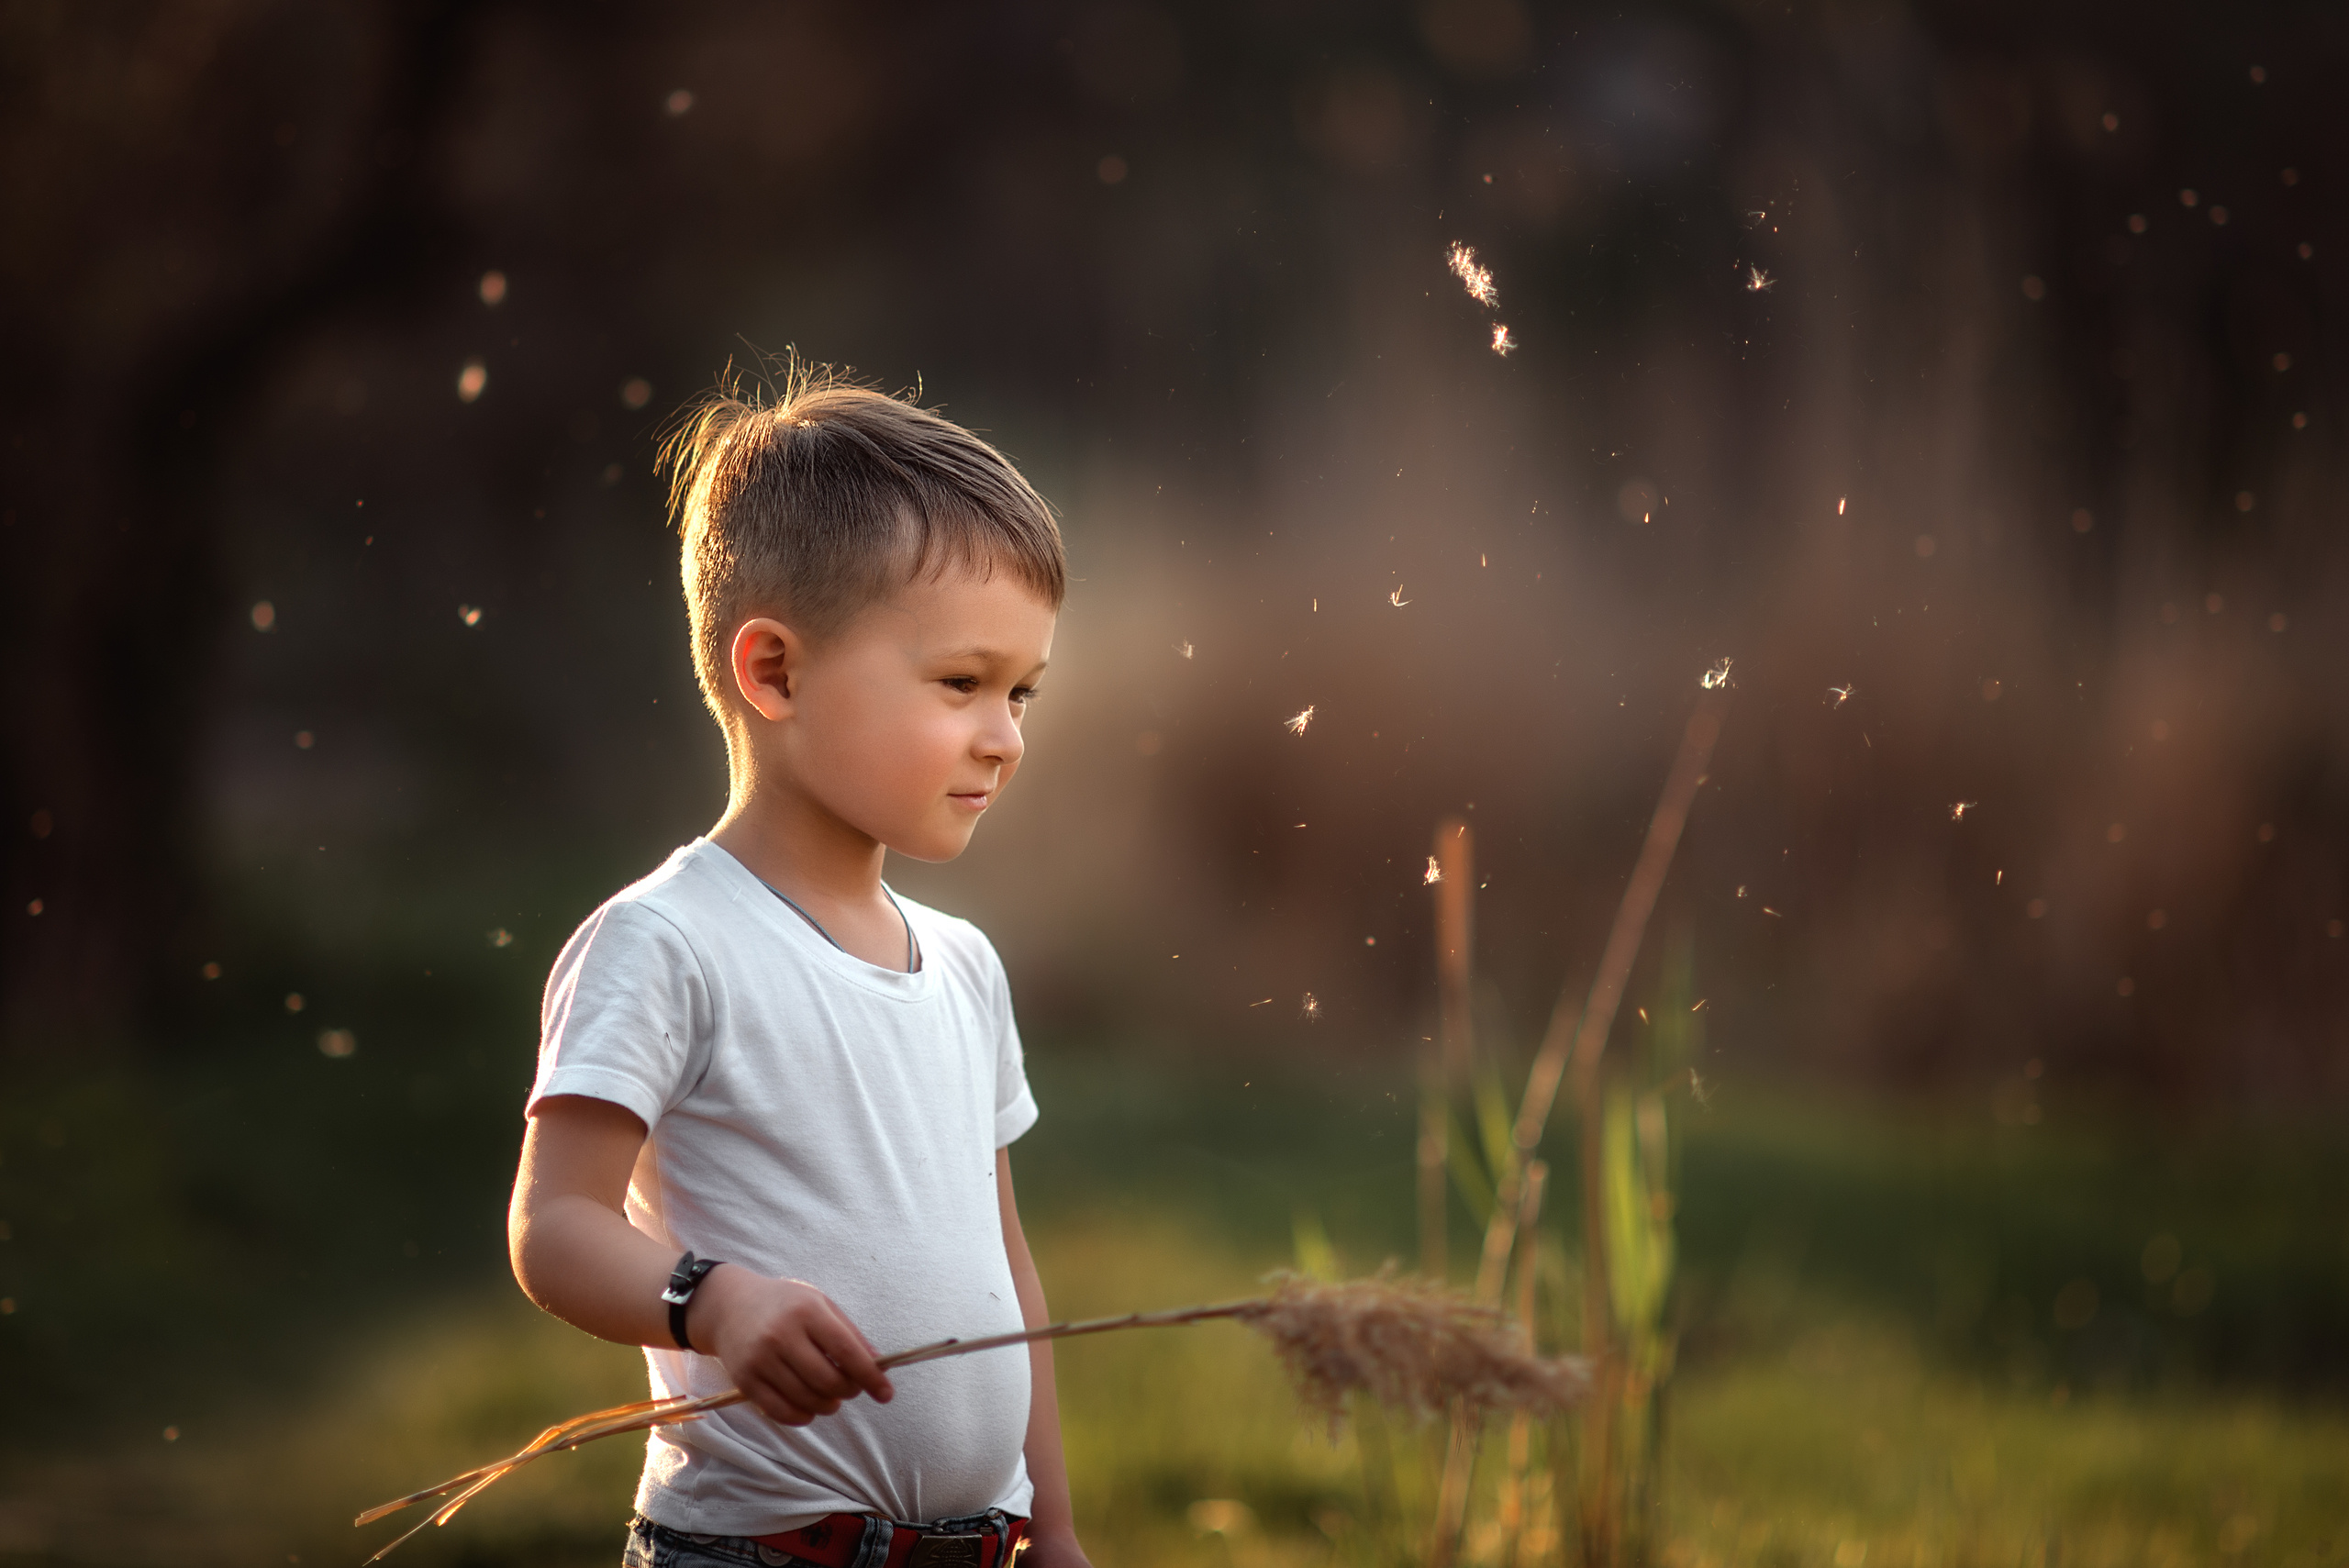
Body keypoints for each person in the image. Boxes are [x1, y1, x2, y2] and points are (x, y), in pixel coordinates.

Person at [507, 367, 1088, 1568]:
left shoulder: (967, 968)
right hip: (764, 1552)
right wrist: (711, 1299)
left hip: (982, 1549)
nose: (1008, 736)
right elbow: (555, 1225)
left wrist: (1061, 1525)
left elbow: (1006, 1267)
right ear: (773, 672)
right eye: (962, 683)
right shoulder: (668, 943)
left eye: (1022, 691)